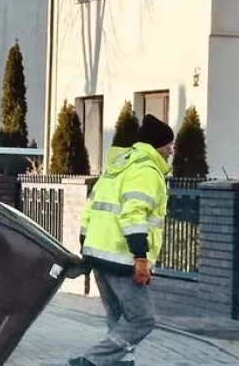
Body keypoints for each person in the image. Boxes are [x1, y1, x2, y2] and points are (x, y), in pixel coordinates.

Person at [69, 113, 174, 366]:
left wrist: (86, 250)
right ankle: (90, 362)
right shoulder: (146, 170)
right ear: (157, 145)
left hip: (99, 254)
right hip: (122, 258)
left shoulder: (116, 168)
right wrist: (140, 257)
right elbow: (133, 215)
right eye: (169, 145)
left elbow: (89, 210)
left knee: (118, 319)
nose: (171, 151)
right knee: (142, 319)